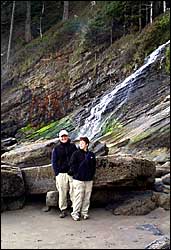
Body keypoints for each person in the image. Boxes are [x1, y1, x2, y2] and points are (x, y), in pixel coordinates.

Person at [51, 129, 77, 218]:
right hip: (61, 174)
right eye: (62, 136)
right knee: (62, 192)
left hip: (72, 173)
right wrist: (57, 173)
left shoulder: (73, 147)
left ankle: (75, 209)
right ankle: (63, 209)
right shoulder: (56, 149)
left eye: (65, 136)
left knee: (74, 191)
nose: (64, 138)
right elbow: (54, 162)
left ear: (68, 137)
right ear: (59, 138)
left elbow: (76, 159)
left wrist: (74, 169)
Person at [69, 136, 96, 221]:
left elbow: (93, 166)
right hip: (78, 179)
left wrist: (91, 175)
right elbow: (72, 165)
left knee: (87, 197)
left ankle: (84, 212)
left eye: (82, 143)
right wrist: (77, 173)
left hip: (88, 179)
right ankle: (75, 213)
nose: (80, 144)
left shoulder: (91, 154)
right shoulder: (76, 154)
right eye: (79, 143)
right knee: (78, 197)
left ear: (87, 144)